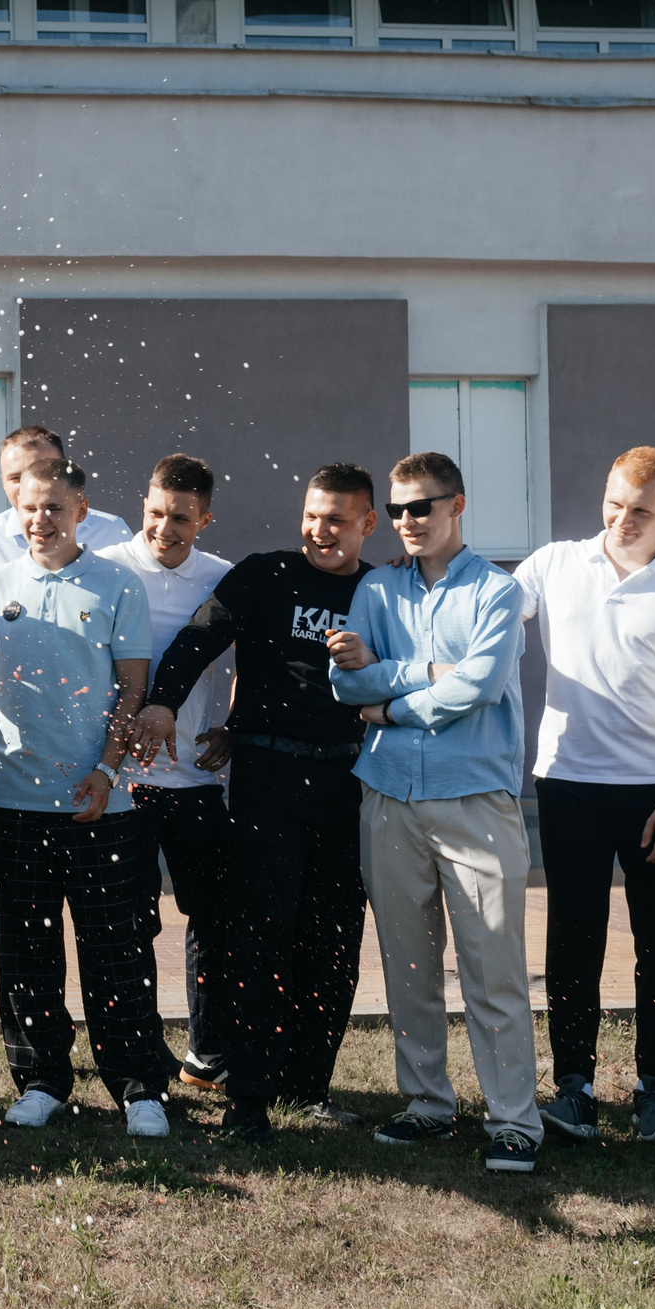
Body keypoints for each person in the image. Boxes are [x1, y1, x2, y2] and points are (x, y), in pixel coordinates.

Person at [135, 464, 378, 1143]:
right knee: (260, 941)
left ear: (367, 524)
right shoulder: (264, 574)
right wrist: (163, 700)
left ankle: (309, 1085)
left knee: (332, 942)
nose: (320, 530)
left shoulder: (380, 590)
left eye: (337, 519)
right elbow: (198, 638)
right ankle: (248, 1097)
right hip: (268, 780)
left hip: (346, 783)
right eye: (313, 515)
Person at [327, 451, 540, 1174]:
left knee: (493, 967)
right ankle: (427, 1104)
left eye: (424, 505)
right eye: (398, 509)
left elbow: (476, 688)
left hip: (474, 799)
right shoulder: (378, 590)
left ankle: (514, 1120)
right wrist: (414, 674)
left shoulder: (498, 591)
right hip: (387, 796)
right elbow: (341, 681)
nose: (409, 521)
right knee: (408, 964)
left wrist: (386, 698)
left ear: (458, 506)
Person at [0, 456, 173, 1136]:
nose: (40, 519)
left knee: (119, 951)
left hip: (102, 804)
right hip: (17, 802)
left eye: (54, 507)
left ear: (81, 510)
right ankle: (42, 1079)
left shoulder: (117, 584)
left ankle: (139, 1087)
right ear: (14, 511)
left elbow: (132, 688)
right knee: (25, 952)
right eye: (28, 507)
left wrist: (107, 771)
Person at [514, 447, 655, 1147]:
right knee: (573, 939)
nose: (623, 519)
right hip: (568, 781)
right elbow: (483, 626)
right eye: (614, 502)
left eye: (641, 508)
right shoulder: (552, 564)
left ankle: (654, 1090)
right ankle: (572, 1086)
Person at [95, 455, 231, 1094]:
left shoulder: (222, 579)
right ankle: (145, 1058)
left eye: (181, 517)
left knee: (212, 916)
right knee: (130, 921)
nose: (165, 528)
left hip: (195, 782)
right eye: (155, 513)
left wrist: (233, 725)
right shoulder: (106, 571)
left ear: (204, 518)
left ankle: (207, 1054)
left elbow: (251, 659)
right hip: (122, 782)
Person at [0, 423, 132, 625]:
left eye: (41, 471)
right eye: (16, 478)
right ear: (2, 482)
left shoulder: (112, 532)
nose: (29, 485)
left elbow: (135, 614)